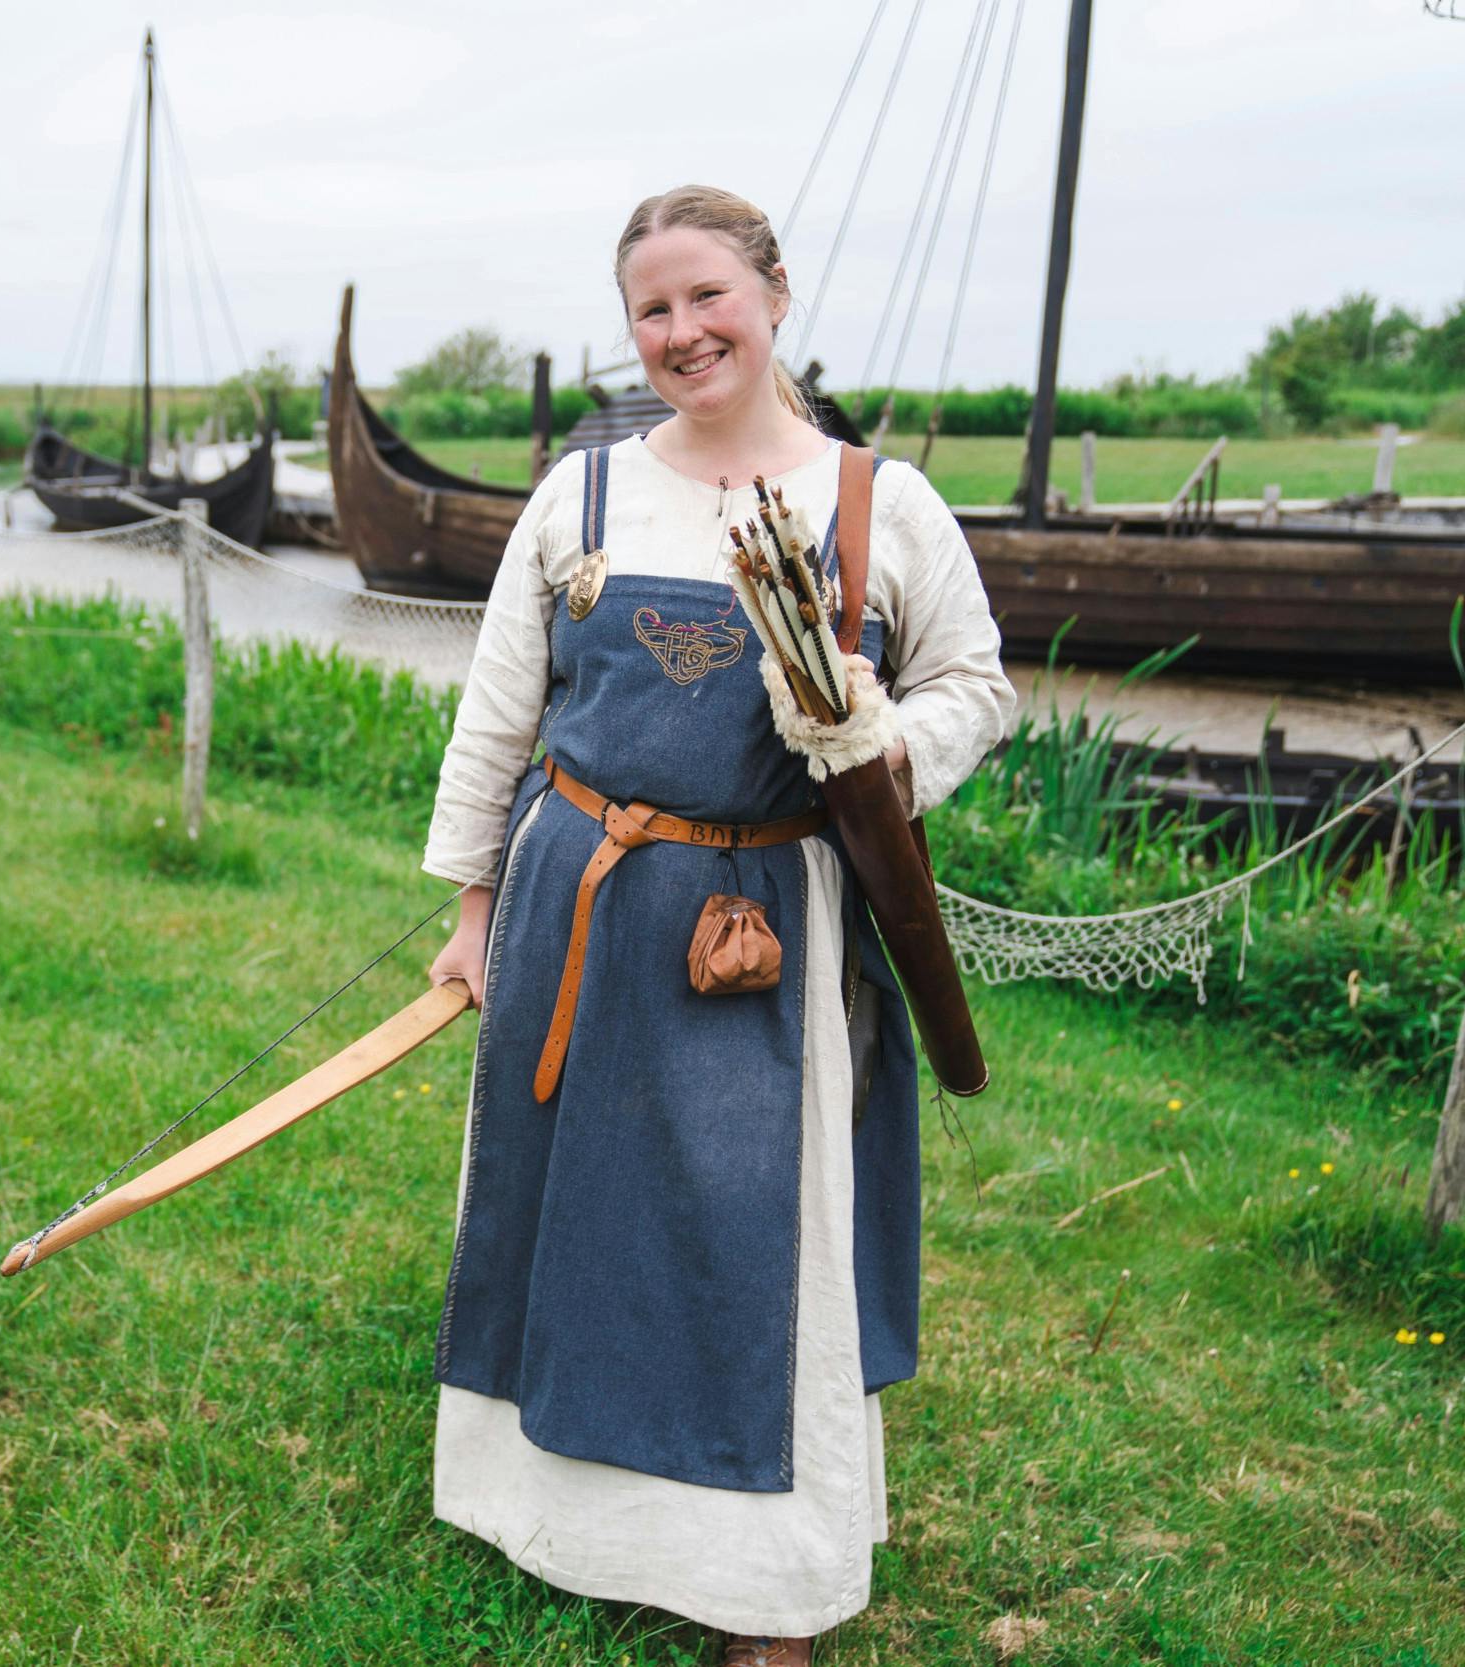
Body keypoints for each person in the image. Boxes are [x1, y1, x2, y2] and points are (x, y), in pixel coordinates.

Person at [419, 184, 1016, 1665]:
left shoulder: (879, 504)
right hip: (583, 899)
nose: (682, 333)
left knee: (752, 1230)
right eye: (651, 309)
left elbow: (980, 685)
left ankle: (765, 1587)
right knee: (573, 1213)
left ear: (775, 293)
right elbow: (504, 712)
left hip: (768, 929)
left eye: (706, 297)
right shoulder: (586, 495)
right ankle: (564, 1518)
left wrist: (874, 740)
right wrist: (474, 903)